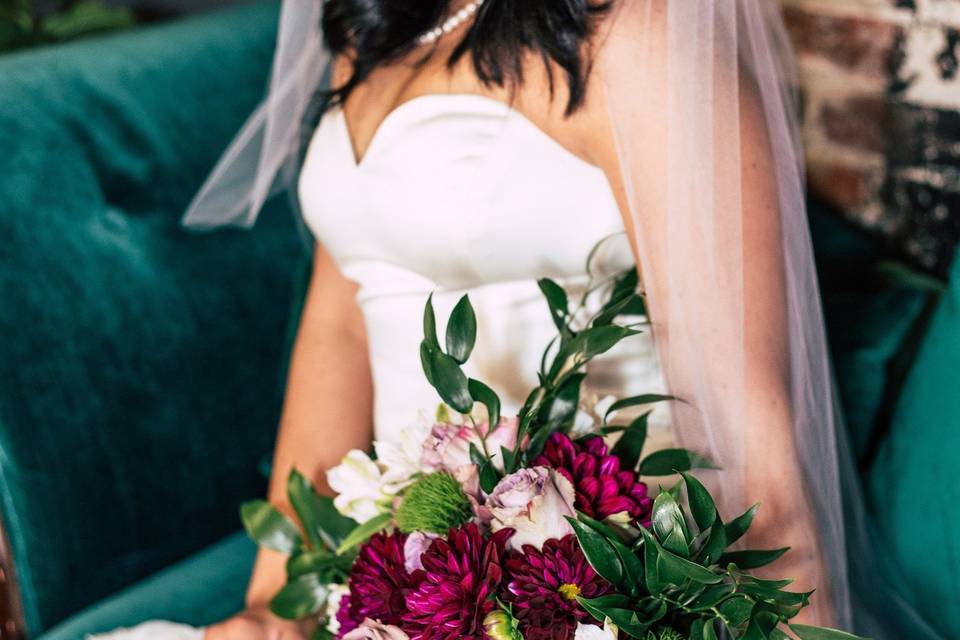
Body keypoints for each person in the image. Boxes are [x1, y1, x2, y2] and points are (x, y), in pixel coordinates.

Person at [96, 1, 938, 638]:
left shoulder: (640, 40)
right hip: (395, 574)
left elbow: (754, 455)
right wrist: (273, 599)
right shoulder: (369, 25)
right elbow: (342, 324)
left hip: (588, 592)